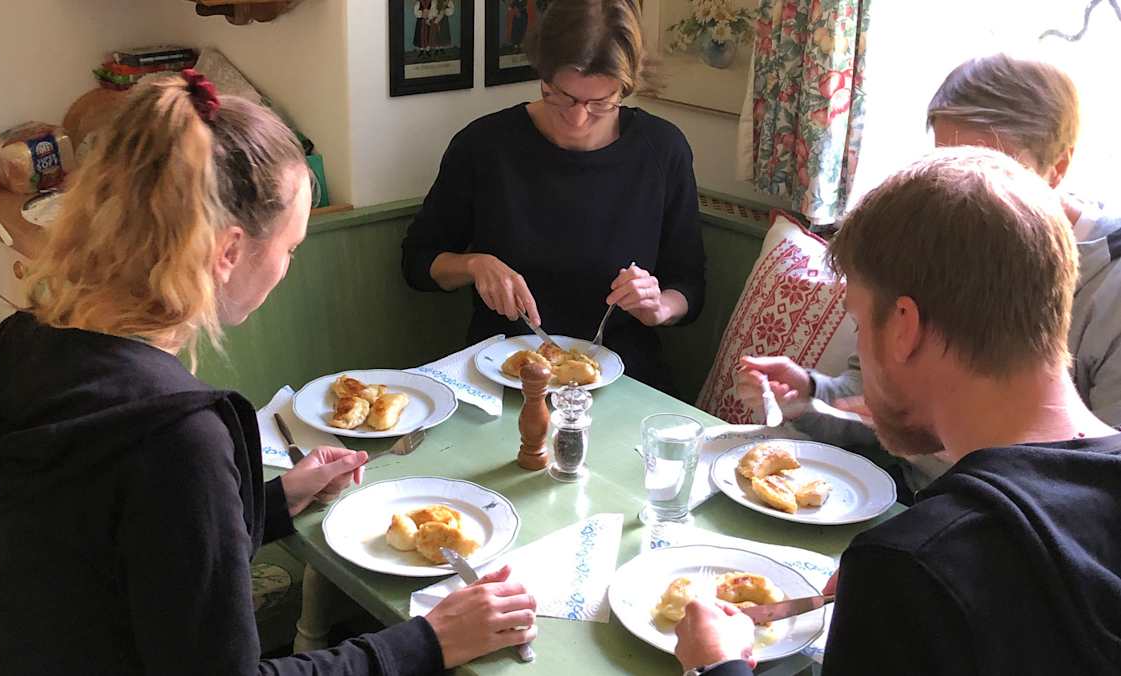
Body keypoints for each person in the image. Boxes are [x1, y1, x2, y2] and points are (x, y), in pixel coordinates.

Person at [0, 72, 536, 676]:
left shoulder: (12, 347)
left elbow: (99, 552)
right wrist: (429, 641)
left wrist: (269, 502)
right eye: (290, 248)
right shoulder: (173, 437)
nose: (286, 267)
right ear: (229, 252)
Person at [675, 147, 1121, 675]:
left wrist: (717, 665)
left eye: (859, 325)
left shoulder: (912, 568)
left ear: (904, 327)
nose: (862, 348)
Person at [737, 53, 1121, 492]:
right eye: (947, 160)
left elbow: (1099, 491)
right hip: (909, 497)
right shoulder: (934, 236)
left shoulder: (1109, 284)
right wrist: (809, 395)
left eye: (990, 164)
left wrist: (945, 434)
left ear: (1059, 168)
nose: (962, 183)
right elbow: (879, 398)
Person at [401, 0, 706, 392]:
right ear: (542, 71)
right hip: (504, 375)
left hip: (624, 380)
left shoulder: (662, 149)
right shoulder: (484, 146)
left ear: (625, 86)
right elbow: (417, 261)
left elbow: (689, 284)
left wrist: (659, 306)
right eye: (561, 96)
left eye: (601, 103)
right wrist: (474, 264)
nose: (578, 119)